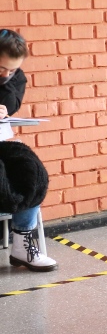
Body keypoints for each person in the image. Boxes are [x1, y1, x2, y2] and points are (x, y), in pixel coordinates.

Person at [0, 28, 56, 272]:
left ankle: (22, 245)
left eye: (12, 69)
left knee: (30, 170)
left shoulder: (14, 79)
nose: (6, 74)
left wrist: (5, 86)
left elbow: (11, 105)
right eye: (1, 68)